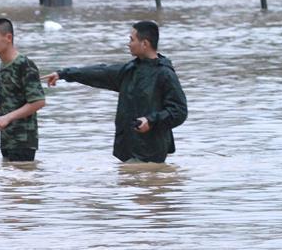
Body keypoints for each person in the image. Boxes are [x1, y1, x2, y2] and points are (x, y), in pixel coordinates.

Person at [42, 20, 188, 163]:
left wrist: (151, 120)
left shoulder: (165, 74)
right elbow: (99, 72)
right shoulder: (129, 70)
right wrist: (63, 74)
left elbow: (179, 111)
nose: (128, 44)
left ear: (144, 44)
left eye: (132, 40)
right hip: (128, 149)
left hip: (150, 152)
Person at [0, 18, 46, 161]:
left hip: (23, 141)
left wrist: (7, 117)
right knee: (7, 181)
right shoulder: (5, 65)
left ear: (8, 38)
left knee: (22, 180)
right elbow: (13, 101)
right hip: (7, 139)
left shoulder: (24, 65)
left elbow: (38, 101)